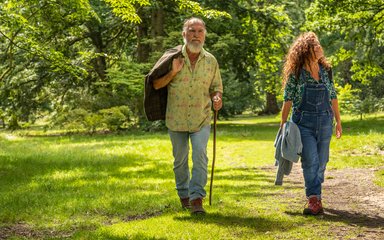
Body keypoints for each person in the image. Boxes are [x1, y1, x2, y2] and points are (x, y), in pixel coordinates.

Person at [152, 17, 223, 214]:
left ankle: (197, 199)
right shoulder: (172, 58)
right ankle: (184, 196)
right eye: (192, 31)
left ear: (204, 35)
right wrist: (173, 73)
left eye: (200, 31)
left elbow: (216, 88)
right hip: (176, 119)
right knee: (180, 161)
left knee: (200, 156)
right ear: (184, 34)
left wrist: (217, 98)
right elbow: (156, 84)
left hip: (201, 118)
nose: (196, 35)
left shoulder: (211, 61)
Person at [280, 32, 342, 215]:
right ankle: (314, 198)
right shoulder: (297, 73)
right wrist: (283, 124)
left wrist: (338, 121)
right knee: (311, 161)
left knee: (322, 160)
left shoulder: (326, 71)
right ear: (307, 50)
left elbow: (333, 96)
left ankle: (315, 188)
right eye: (316, 45)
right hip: (302, 122)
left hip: (325, 120)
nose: (320, 47)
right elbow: (288, 99)